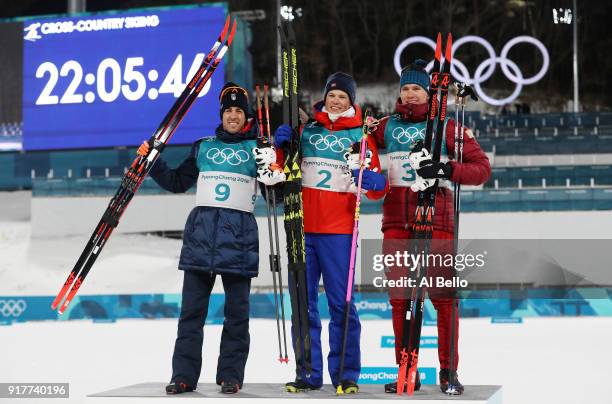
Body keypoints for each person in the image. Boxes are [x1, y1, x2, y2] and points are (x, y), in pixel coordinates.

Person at [136, 82, 284, 395]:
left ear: (247, 117)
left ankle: (230, 375)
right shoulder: (202, 146)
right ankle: (183, 376)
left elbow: (277, 195)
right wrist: (153, 162)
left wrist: (274, 169)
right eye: (228, 110)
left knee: (237, 315)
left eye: (238, 111)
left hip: (240, 240)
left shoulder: (257, 148)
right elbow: (177, 182)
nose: (233, 115)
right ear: (221, 114)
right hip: (201, 239)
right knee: (191, 313)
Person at [370, 60, 491, 394]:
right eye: (405, 88)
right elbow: (357, 141)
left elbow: (481, 169)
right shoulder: (385, 126)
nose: (410, 94)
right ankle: (406, 370)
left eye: (417, 88)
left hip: (437, 219)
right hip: (396, 221)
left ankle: (448, 371)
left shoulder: (448, 127)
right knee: (400, 300)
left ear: (428, 92)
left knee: (443, 298)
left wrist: (447, 169)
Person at [274, 72, 387, 393]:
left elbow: (379, 188)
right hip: (303, 229)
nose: (336, 101)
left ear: (352, 101)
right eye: (332, 95)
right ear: (324, 98)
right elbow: (280, 170)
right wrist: (280, 145)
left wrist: (363, 174)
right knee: (303, 304)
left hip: (339, 231)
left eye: (343, 97)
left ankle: (346, 374)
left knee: (342, 304)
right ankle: (307, 374)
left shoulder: (360, 136)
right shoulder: (307, 130)